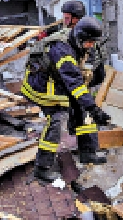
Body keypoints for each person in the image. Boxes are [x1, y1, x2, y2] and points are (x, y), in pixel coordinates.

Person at [22, 16, 111, 182]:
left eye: (93, 42)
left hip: (59, 81)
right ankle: (42, 168)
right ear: (79, 38)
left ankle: (88, 152)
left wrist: (89, 106)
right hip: (41, 86)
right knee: (56, 119)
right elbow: (74, 82)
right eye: (89, 42)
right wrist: (94, 108)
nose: (91, 46)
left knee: (82, 111)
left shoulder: (81, 43)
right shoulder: (61, 49)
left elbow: (88, 75)